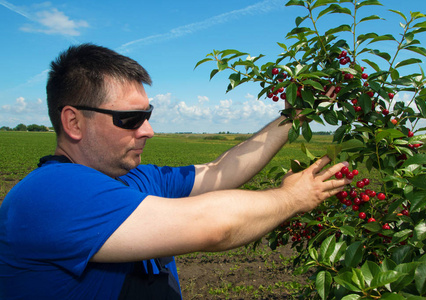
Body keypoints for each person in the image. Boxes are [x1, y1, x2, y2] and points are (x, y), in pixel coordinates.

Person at [0, 43, 350, 299]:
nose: (148, 130)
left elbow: (221, 169)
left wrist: (292, 118)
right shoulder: (51, 194)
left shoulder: (137, 181)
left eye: (147, 115)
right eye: (130, 119)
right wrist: (294, 197)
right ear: (73, 122)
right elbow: (215, 226)